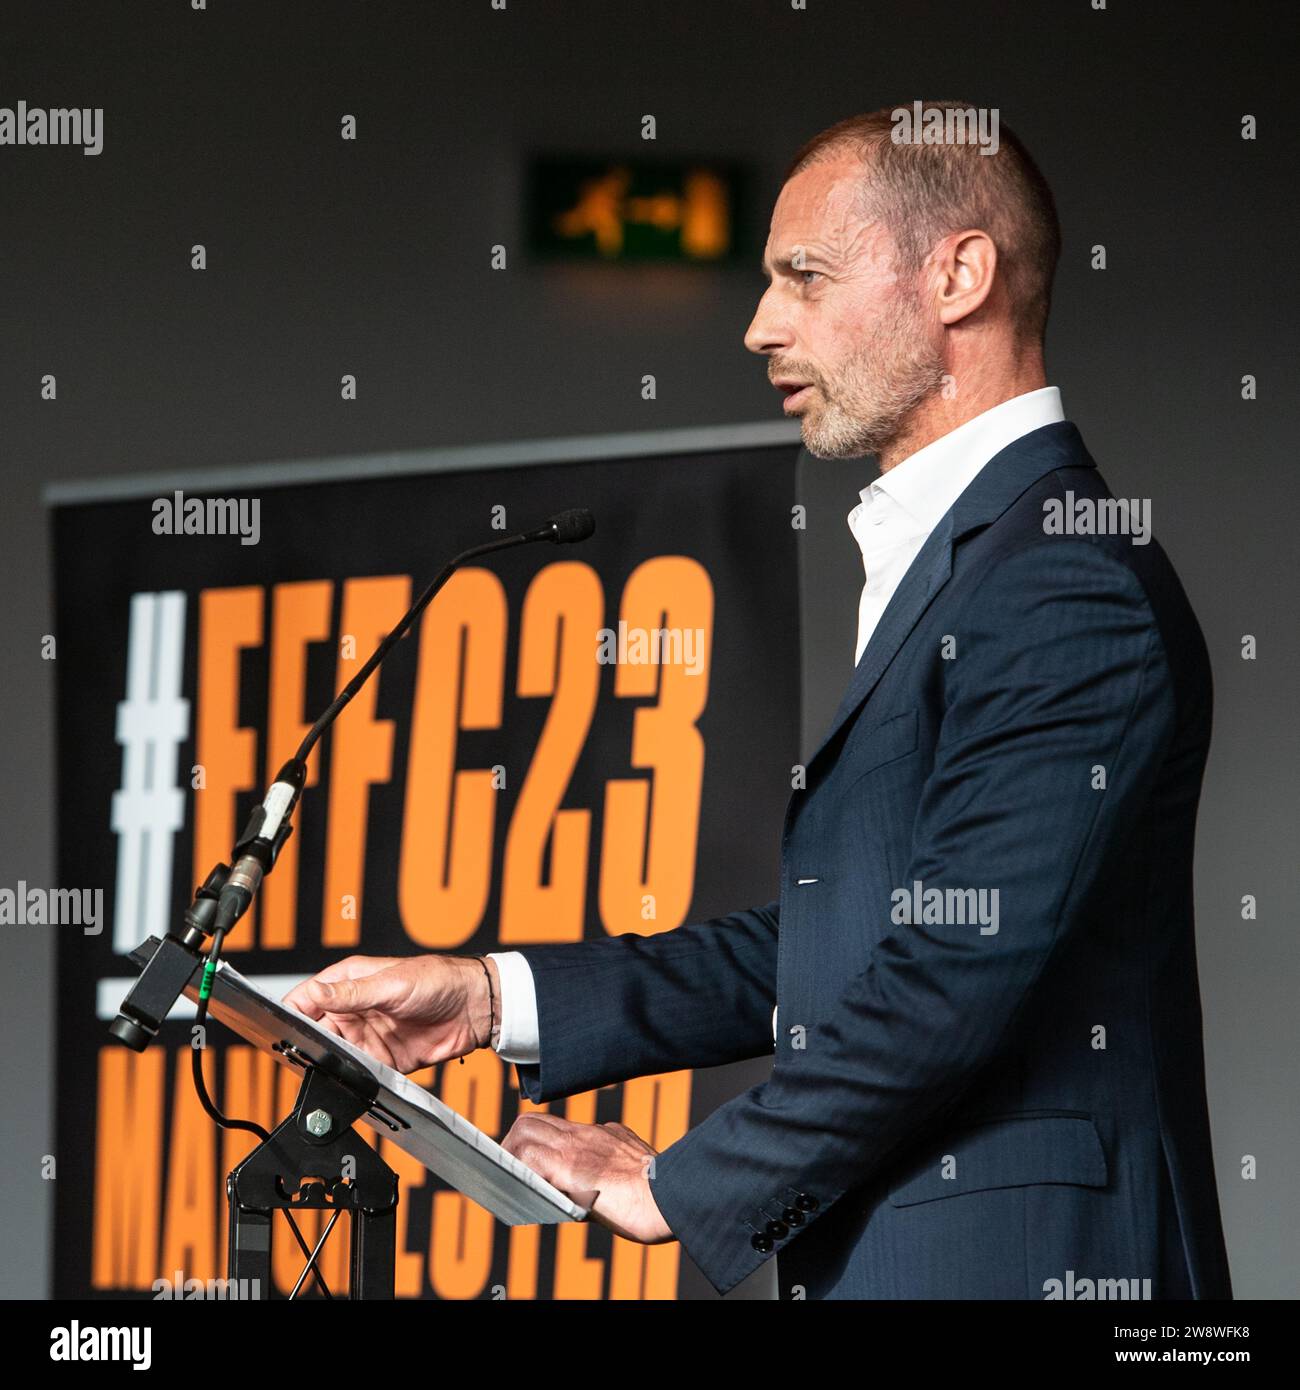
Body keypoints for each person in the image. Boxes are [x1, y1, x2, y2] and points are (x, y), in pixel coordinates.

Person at [286, 102, 1232, 1300]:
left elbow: (951, 971)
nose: (758, 326)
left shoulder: (1060, 581)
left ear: (959, 275)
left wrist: (679, 1185)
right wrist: (490, 995)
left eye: (804, 277)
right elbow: (853, 942)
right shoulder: (974, 559)